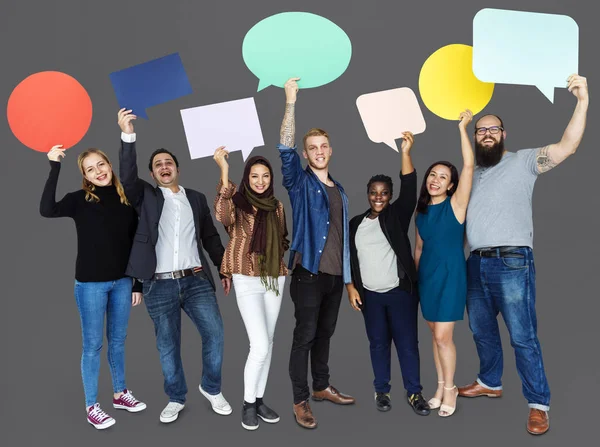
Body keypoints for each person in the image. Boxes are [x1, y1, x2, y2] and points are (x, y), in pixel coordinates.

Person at [457, 75, 588, 435]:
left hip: (512, 262)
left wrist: (582, 101)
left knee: (522, 336)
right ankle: (489, 381)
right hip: (475, 263)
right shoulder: (472, 173)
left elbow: (568, 146)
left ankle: (538, 404)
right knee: (481, 331)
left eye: (492, 129)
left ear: (503, 133)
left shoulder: (524, 161)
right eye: (480, 130)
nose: (486, 134)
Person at [117, 108, 232, 424]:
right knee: (167, 347)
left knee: (216, 334)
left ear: (177, 169)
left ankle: (211, 388)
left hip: (196, 281)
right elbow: (126, 176)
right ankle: (176, 397)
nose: (164, 167)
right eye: (158, 165)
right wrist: (128, 133)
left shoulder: (195, 198)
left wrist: (223, 267)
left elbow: (209, 236)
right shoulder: (147, 197)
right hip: (159, 284)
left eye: (168, 163)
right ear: (153, 175)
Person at [40, 145, 146, 430]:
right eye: (90, 169)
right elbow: (46, 210)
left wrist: (137, 284)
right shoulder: (79, 200)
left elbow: (135, 244)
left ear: (109, 165)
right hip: (90, 285)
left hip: (123, 282)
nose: (98, 171)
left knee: (119, 341)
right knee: (92, 346)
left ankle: (120, 393)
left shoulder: (126, 201)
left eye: (101, 165)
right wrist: (54, 166)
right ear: (85, 176)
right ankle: (91, 406)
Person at [278, 77, 355, 429]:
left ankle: (322, 386)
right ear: (306, 154)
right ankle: (301, 399)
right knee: (304, 337)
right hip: (307, 272)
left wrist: (349, 280)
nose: (319, 151)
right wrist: (291, 103)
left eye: (323, 145)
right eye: (313, 147)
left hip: (335, 277)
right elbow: (284, 147)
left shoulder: (340, 189)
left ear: (331, 149)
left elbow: (341, 239)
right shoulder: (300, 183)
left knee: (325, 334)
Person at [347, 132, 431, 416]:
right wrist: (350, 287)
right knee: (378, 344)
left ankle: (414, 393)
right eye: (374, 192)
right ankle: (381, 390)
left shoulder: (395, 215)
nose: (378, 197)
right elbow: (349, 259)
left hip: (399, 294)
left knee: (407, 344)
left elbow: (410, 188)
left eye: (384, 193)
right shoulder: (356, 223)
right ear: (368, 193)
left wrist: (405, 152)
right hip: (370, 296)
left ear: (390, 196)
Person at [213, 146, 289, 430]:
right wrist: (224, 170)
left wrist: (274, 256)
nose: (260, 181)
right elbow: (222, 215)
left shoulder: (276, 206)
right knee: (258, 344)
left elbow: (282, 237)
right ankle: (247, 404)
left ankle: (258, 400)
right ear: (247, 178)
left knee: (268, 344)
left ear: (271, 179)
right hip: (246, 278)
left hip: (273, 278)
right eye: (255, 176)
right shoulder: (236, 201)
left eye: (265, 176)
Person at [414, 110, 474, 418]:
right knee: (432, 335)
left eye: (443, 177)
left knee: (443, 337)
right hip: (427, 278)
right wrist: (414, 280)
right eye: (432, 175)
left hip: (451, 277)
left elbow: (468, 164)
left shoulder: (457, 205)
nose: (435, 180)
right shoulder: (421, 212)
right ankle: (438, 385)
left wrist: (462, 128)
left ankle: (450, 388)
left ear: (452, 185)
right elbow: (420, 247)